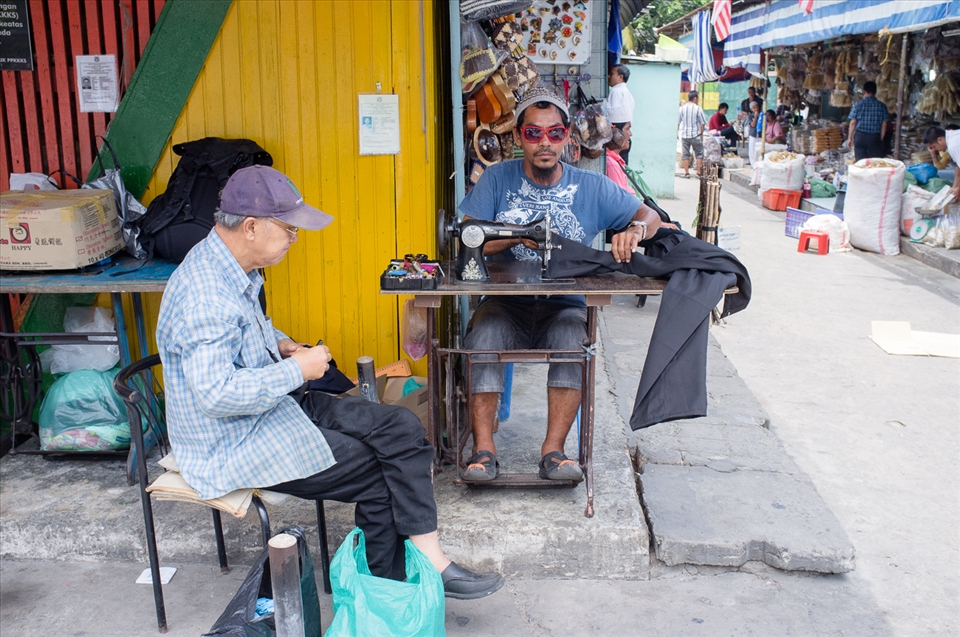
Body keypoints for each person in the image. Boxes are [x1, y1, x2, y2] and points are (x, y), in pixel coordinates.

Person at [155, 165, 504, 599]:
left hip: (273, 406)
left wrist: (282, 345)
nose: (294, 238)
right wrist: (297, 370)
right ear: (251, 227)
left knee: (400, 427)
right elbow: (216, 394)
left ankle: (428, 560)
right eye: (288, 228)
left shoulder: (232, 267)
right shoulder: (206, 294)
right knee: (379, 472)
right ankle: (386, 593)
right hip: (233, 440)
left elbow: (243, 331)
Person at [457, 86, 662, 482]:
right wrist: (519, 234)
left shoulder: (591, 186)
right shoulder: (496, 179)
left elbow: (649, 215)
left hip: (564, 303)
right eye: (534, 133)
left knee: (573, 340)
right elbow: (470, 235)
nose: (545, 142)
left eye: (554, 133)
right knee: (482, 337)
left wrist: (635, 230)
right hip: (504, 303)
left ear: (567, 136)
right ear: (519, 137)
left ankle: (554, 452)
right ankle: (483, 452)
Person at [848, 81, 889, 161]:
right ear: (875, 92)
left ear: (864, 91)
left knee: (860, 162)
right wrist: (881, 138)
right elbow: (884, 124)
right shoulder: (882, 106)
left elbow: (853, 123)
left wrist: (849, 137)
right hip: (874, 137)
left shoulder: (858, 105)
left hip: (860, 137)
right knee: (875, 162)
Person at [607, 64, 635, 164]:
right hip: (623, 133)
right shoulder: (626, 92)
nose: (608, 76)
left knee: (615, 163)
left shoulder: (616, 91)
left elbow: (612, 115)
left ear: (620, 77)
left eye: (611, 74)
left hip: (617, 135)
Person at [923, 125, 960, 202]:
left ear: (940, 140)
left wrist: (958, 189)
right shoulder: (952, 138)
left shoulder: (954, 146)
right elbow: (958, 167)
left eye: (934, 147)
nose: (935, 150)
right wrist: (954, 187)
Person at [678, 90, 706, 178]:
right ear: (695, 98)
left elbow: (678, 122)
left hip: (685, 135)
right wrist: (701, 134)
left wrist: (678, 134)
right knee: (699, 154)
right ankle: (699, 173)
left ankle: (686, 173)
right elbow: (702, 123)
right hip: (696, 135)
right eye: (697, 98)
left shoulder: (682, 108)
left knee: (685, 154)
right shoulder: (698, 109)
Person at [605, 123, 634, 194]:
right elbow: (620, 196)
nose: (630, 134)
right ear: (617, 132)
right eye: (627, 129)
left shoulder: (616, 161)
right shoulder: (612, 165)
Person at [746, 101, 762, 165]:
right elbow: (753, 124)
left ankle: (759, 163)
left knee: (760, 149)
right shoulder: (750, 116)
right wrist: (755, 116)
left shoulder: (761, 115)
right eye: (754, 108)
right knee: (752, 150)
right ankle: (753, 163)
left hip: (760, 135)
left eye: (757, 107)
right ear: (751, 109)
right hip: (753, 134)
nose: (756, 109)